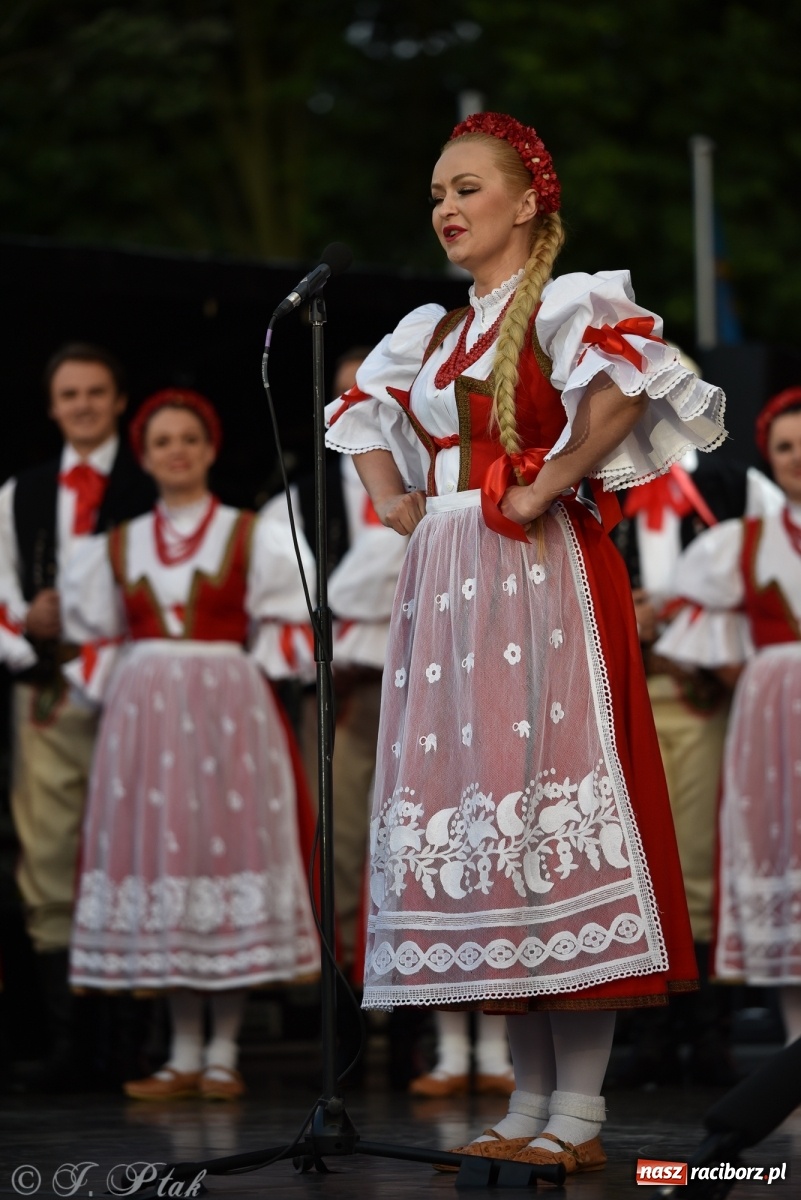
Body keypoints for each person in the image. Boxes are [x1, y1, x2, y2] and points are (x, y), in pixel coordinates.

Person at [323, 111, 726, 1173]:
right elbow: (360, 411)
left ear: (528, 198)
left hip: (537, 573)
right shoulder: (432, 332)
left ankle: (578, 1112)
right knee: (487, 820)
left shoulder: (562, 301)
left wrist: (550, 482)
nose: (447, 209)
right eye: (437, 195)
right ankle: (527, 1099)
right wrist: (398, 501)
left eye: (467, 188)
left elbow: (625, 389)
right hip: (451, 585)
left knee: (548, 805)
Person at [60, 388, 319, 1100]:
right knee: (165, 855)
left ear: (209, 450)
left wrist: (239, 675)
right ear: (144, 458)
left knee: (222, 850)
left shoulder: (251, 533)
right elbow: (93, 637)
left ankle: (223, 1052)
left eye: (189, 439)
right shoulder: (118, 543)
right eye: (162, 442)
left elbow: (292, 624)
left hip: (226, 710)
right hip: (146, 716)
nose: (177, 452)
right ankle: (180, 1053)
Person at [0, 343, 155, 1088]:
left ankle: (134, 1041)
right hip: (50, 687)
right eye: (70, 395)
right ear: (53, 406)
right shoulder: (21, 493)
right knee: (51, 851)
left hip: (135, 689)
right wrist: (27, 631)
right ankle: (69, 1042)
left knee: (140, 848)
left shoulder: (152, 480)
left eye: (96, 392)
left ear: (118, 400)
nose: (84, 405)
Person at [655, 387, 801, 1049]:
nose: (795, 457)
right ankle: (793, 1049)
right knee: (781, 846)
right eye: (784, 447)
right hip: (774, 721)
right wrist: (765, 682)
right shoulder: (743, 542)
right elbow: (696, 627)